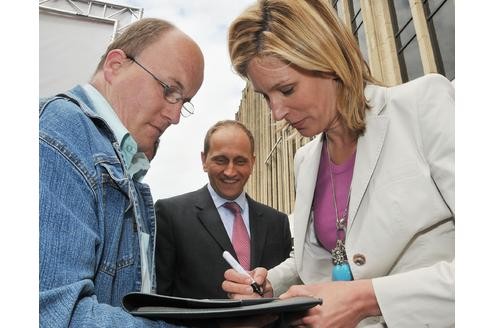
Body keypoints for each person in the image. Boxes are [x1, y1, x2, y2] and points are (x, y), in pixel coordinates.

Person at [222, 1, 454, 327]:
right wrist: (270, 283)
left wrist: (365, 299)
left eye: (287, 89)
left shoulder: (425, 105)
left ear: (327, 61)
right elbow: (331, 254)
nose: (276, 112)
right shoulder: (305, 162)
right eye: (265, 96)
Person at [39, 18, 205, 327]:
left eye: (185, 102)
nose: (175, 116)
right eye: (170, 90)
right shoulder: (61, 133)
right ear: (115, 65)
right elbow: (52, 316)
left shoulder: (121, 164)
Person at [155, 120, 292, 299]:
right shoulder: (171, 215)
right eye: (221, 160)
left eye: (240, 161)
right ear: (204, 160)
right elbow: (161, 299)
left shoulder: (277, 222)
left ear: (252, 162)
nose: (230, 171)